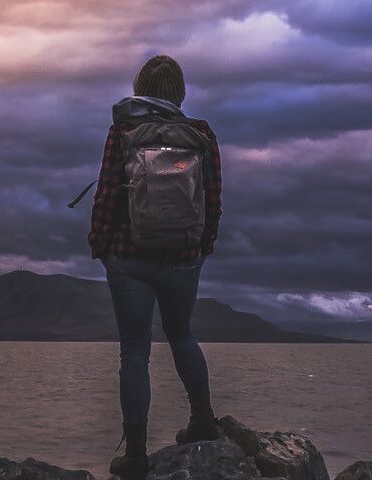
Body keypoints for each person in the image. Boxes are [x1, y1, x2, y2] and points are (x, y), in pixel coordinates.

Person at [87, 54, 223, 478]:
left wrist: (101, 245)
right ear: (179, 91)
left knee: (134, 350)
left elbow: (108, 193)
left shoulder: (123, 131)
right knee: (182, 333)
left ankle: (136, 454)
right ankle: (203, 419)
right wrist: (203, 247)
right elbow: (213, 196)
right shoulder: (200, 134)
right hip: (183, 256)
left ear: (140, 87)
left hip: (129, 257)